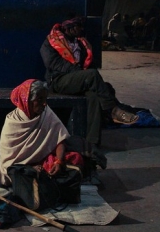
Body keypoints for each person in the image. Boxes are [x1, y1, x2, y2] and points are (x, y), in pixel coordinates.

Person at [40, 17, 138, 153]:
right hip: (59, 80)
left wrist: (81, 74)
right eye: (78, 27)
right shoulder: (50, 42)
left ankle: (92, 143)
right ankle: (112, 110)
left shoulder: (81, 43)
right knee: (92, 74)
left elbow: (88, 63)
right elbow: (53, 63)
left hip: (78, 79)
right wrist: (79, 73)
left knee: (94, 97)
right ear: (70, 28)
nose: (81, 29)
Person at [0, 79, 84, 186]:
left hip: (42, 162)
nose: (44, 104)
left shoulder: (46, 113)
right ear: (27, 100)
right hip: (20, 169)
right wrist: (29, 169)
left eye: (45, 99)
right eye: (39, 99)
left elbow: (59, 139)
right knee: (24, 176)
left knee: (74, 158)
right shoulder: (12, 123)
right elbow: (9, 163)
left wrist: (59, 162)